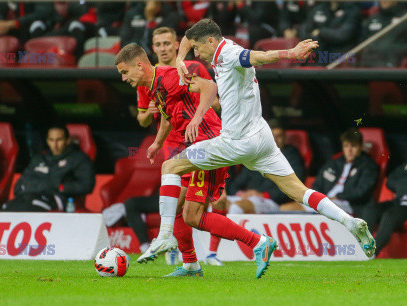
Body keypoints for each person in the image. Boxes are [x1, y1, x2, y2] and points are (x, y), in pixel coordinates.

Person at [153, 18, 374, 270]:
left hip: (235, 142)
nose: (196, 54)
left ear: (212, 41)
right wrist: (180, 59)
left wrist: (290, 53)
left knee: (170, 167)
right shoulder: (214, 47)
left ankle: (165, 235)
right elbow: (188, 37)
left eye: (198, 49)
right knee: (298, 190)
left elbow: (259, 56)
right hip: (261, 137)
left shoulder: (231, 53)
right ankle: (349, 222)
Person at [116, 43, 243, 277]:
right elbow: (166, 116)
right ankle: (191, 263)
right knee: (183, 211)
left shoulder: (171, 75)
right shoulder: (155, 86)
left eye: (125, 72)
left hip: (209, 141)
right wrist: (156, 143)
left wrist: (196, 119)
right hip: (195, 144)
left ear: (139, 65)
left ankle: (168, 238)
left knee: (173, 175)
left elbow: (210, 87)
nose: (123, 79)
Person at [132, 26, 227, 267]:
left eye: (167, 43)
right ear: (153, 48)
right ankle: (182, 253)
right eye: (158, 44)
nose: (163, 48)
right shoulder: (145, 79)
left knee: (217, 200)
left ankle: (210, 254)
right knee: (181, 204)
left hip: (202, 136)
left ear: (177, 45)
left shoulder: (193, 68)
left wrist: (195, 106)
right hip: (174, 144)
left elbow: (215, 101)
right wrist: (152, 116)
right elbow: (142, 119)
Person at [284, 128, 379, 215]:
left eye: (353, 146)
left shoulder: (368, 166)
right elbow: (317, 184)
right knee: (285, 208)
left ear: (361, 147)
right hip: (325, 200)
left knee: (317, 208)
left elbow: (361, 192)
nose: (349, 150)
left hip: (348, 204)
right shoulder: (334, 163)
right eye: (346, 146)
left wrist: (338, 197)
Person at [2, 124, 95, 212]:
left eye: (59, 140)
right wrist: (47, 185)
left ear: (67, 140)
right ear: (47, 141)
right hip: (27, 197)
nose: (55, 144)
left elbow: (87, 185)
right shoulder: (38, 159)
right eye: (51, 140)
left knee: (27, 209)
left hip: (55, 199)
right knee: (5, 209)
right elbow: (18, 187)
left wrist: (62, 187)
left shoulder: (78, 158)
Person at [227, 119, 306, 214]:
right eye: (271, 136)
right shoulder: (256, 156)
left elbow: (294, 186)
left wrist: (264, 195)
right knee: (217, 204)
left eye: (279, 136)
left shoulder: (292, 157)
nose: (275, 140)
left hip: (271, 201)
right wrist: (240, 193)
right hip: (247, 198)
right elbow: (236, 184)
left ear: (285, 138)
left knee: (236, 208)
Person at [363, 161, 407, 256]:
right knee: (371, 210)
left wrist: (402, 184)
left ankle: (371, 254)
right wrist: (403, 186)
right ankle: (361, 246)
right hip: (398, 201)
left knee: (389, 216)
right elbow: (390, 181)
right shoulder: (405, 167)